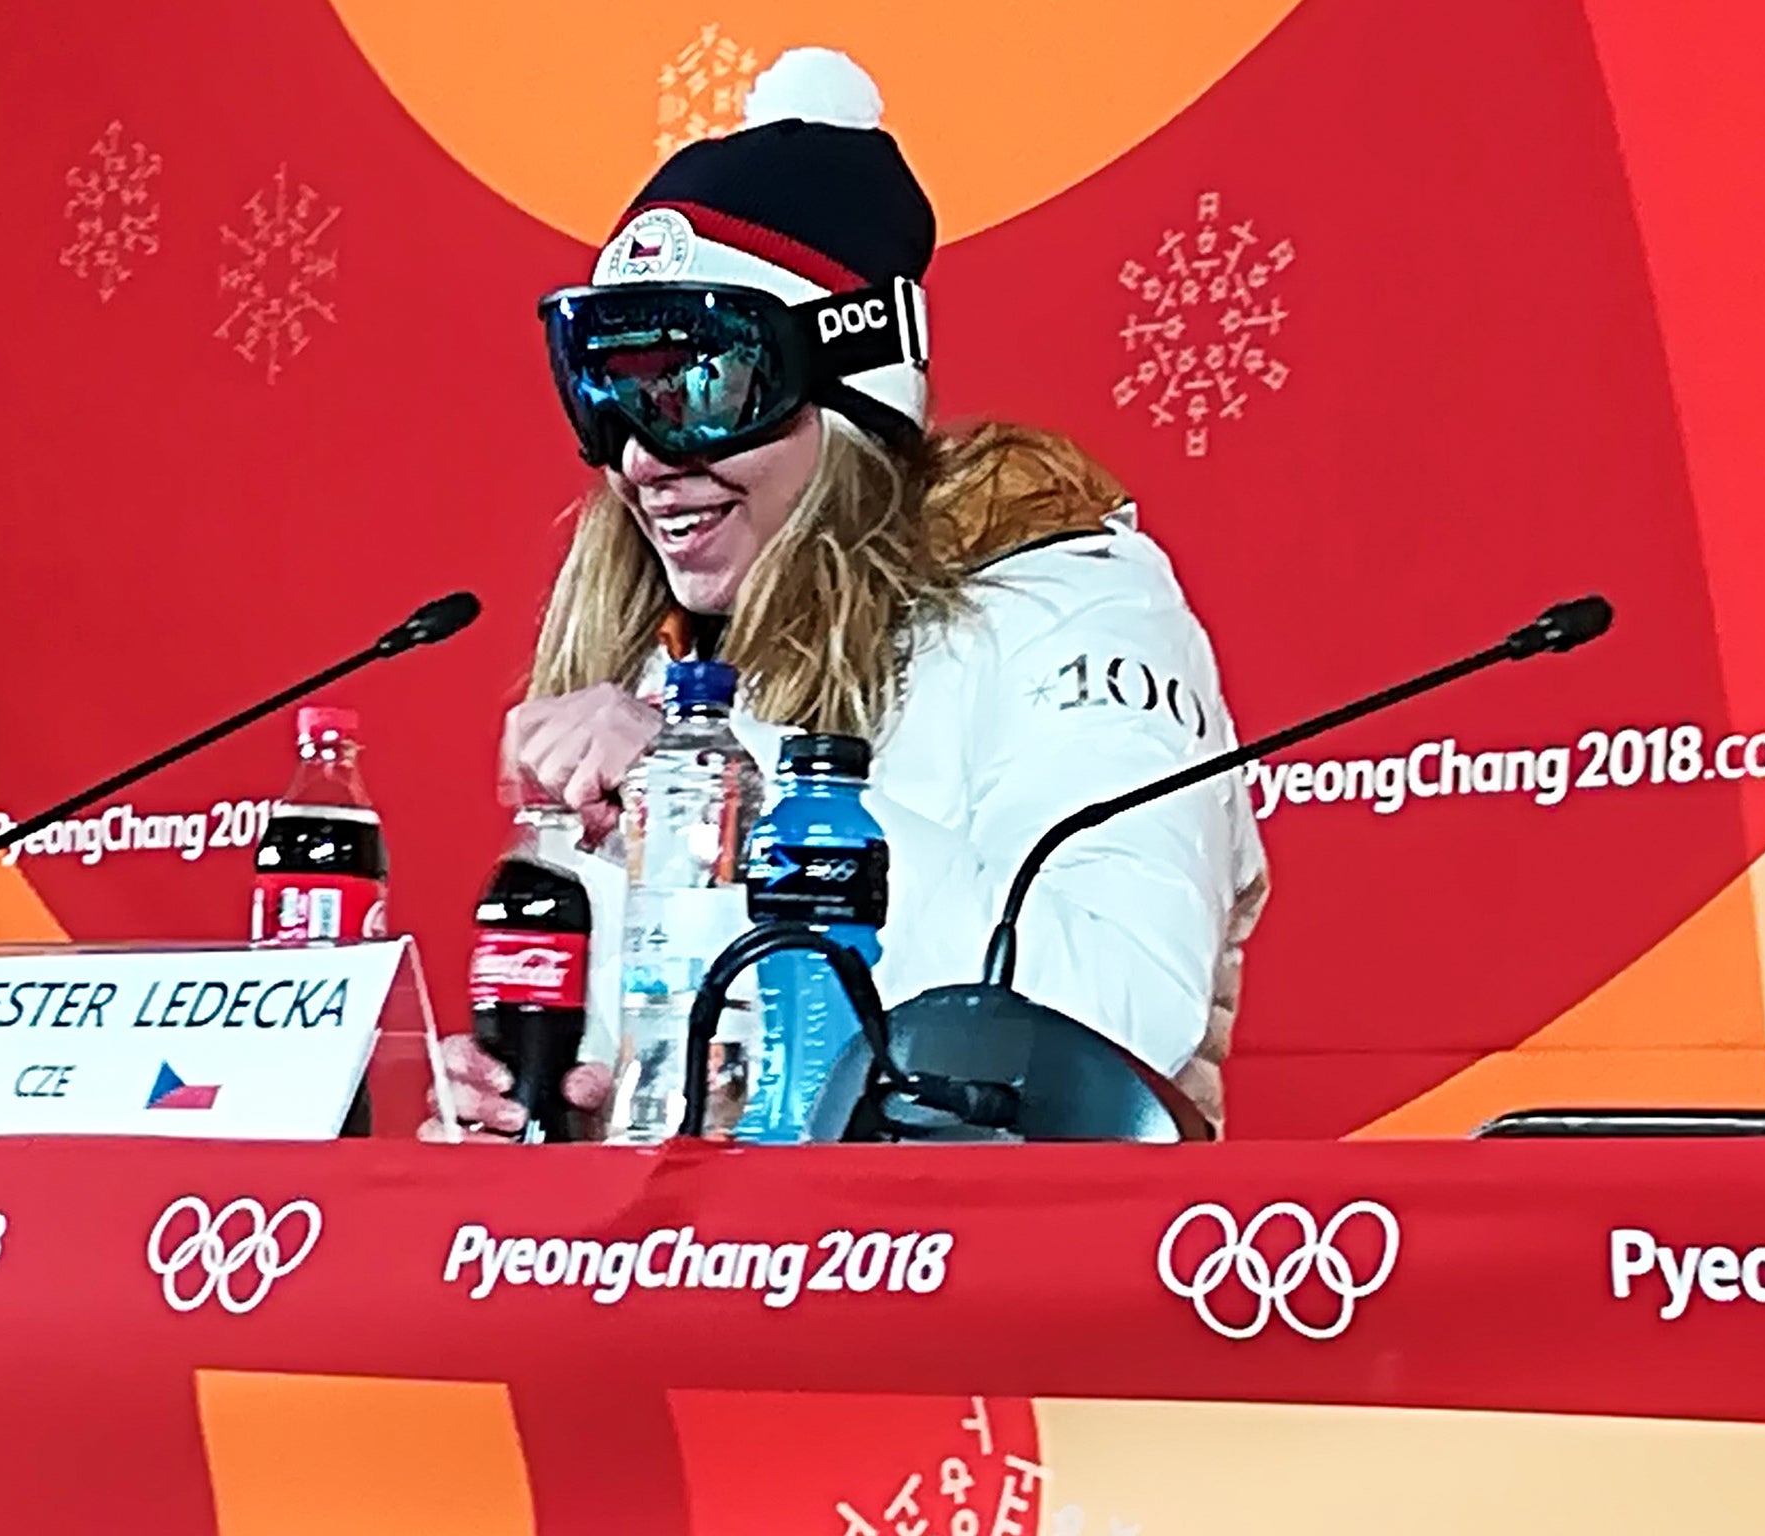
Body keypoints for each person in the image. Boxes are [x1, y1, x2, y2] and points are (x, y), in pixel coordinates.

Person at [426, 47, 1268, 1143]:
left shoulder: (1064, 601)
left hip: (1000, 1285)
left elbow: (1118, 1014)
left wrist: (725, 789)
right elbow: (659, 1079)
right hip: (699, 1287)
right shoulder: (657, 664)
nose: (640, 460)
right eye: (609, 400)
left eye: (699, 388)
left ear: (842, 390)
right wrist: (539, 1111)